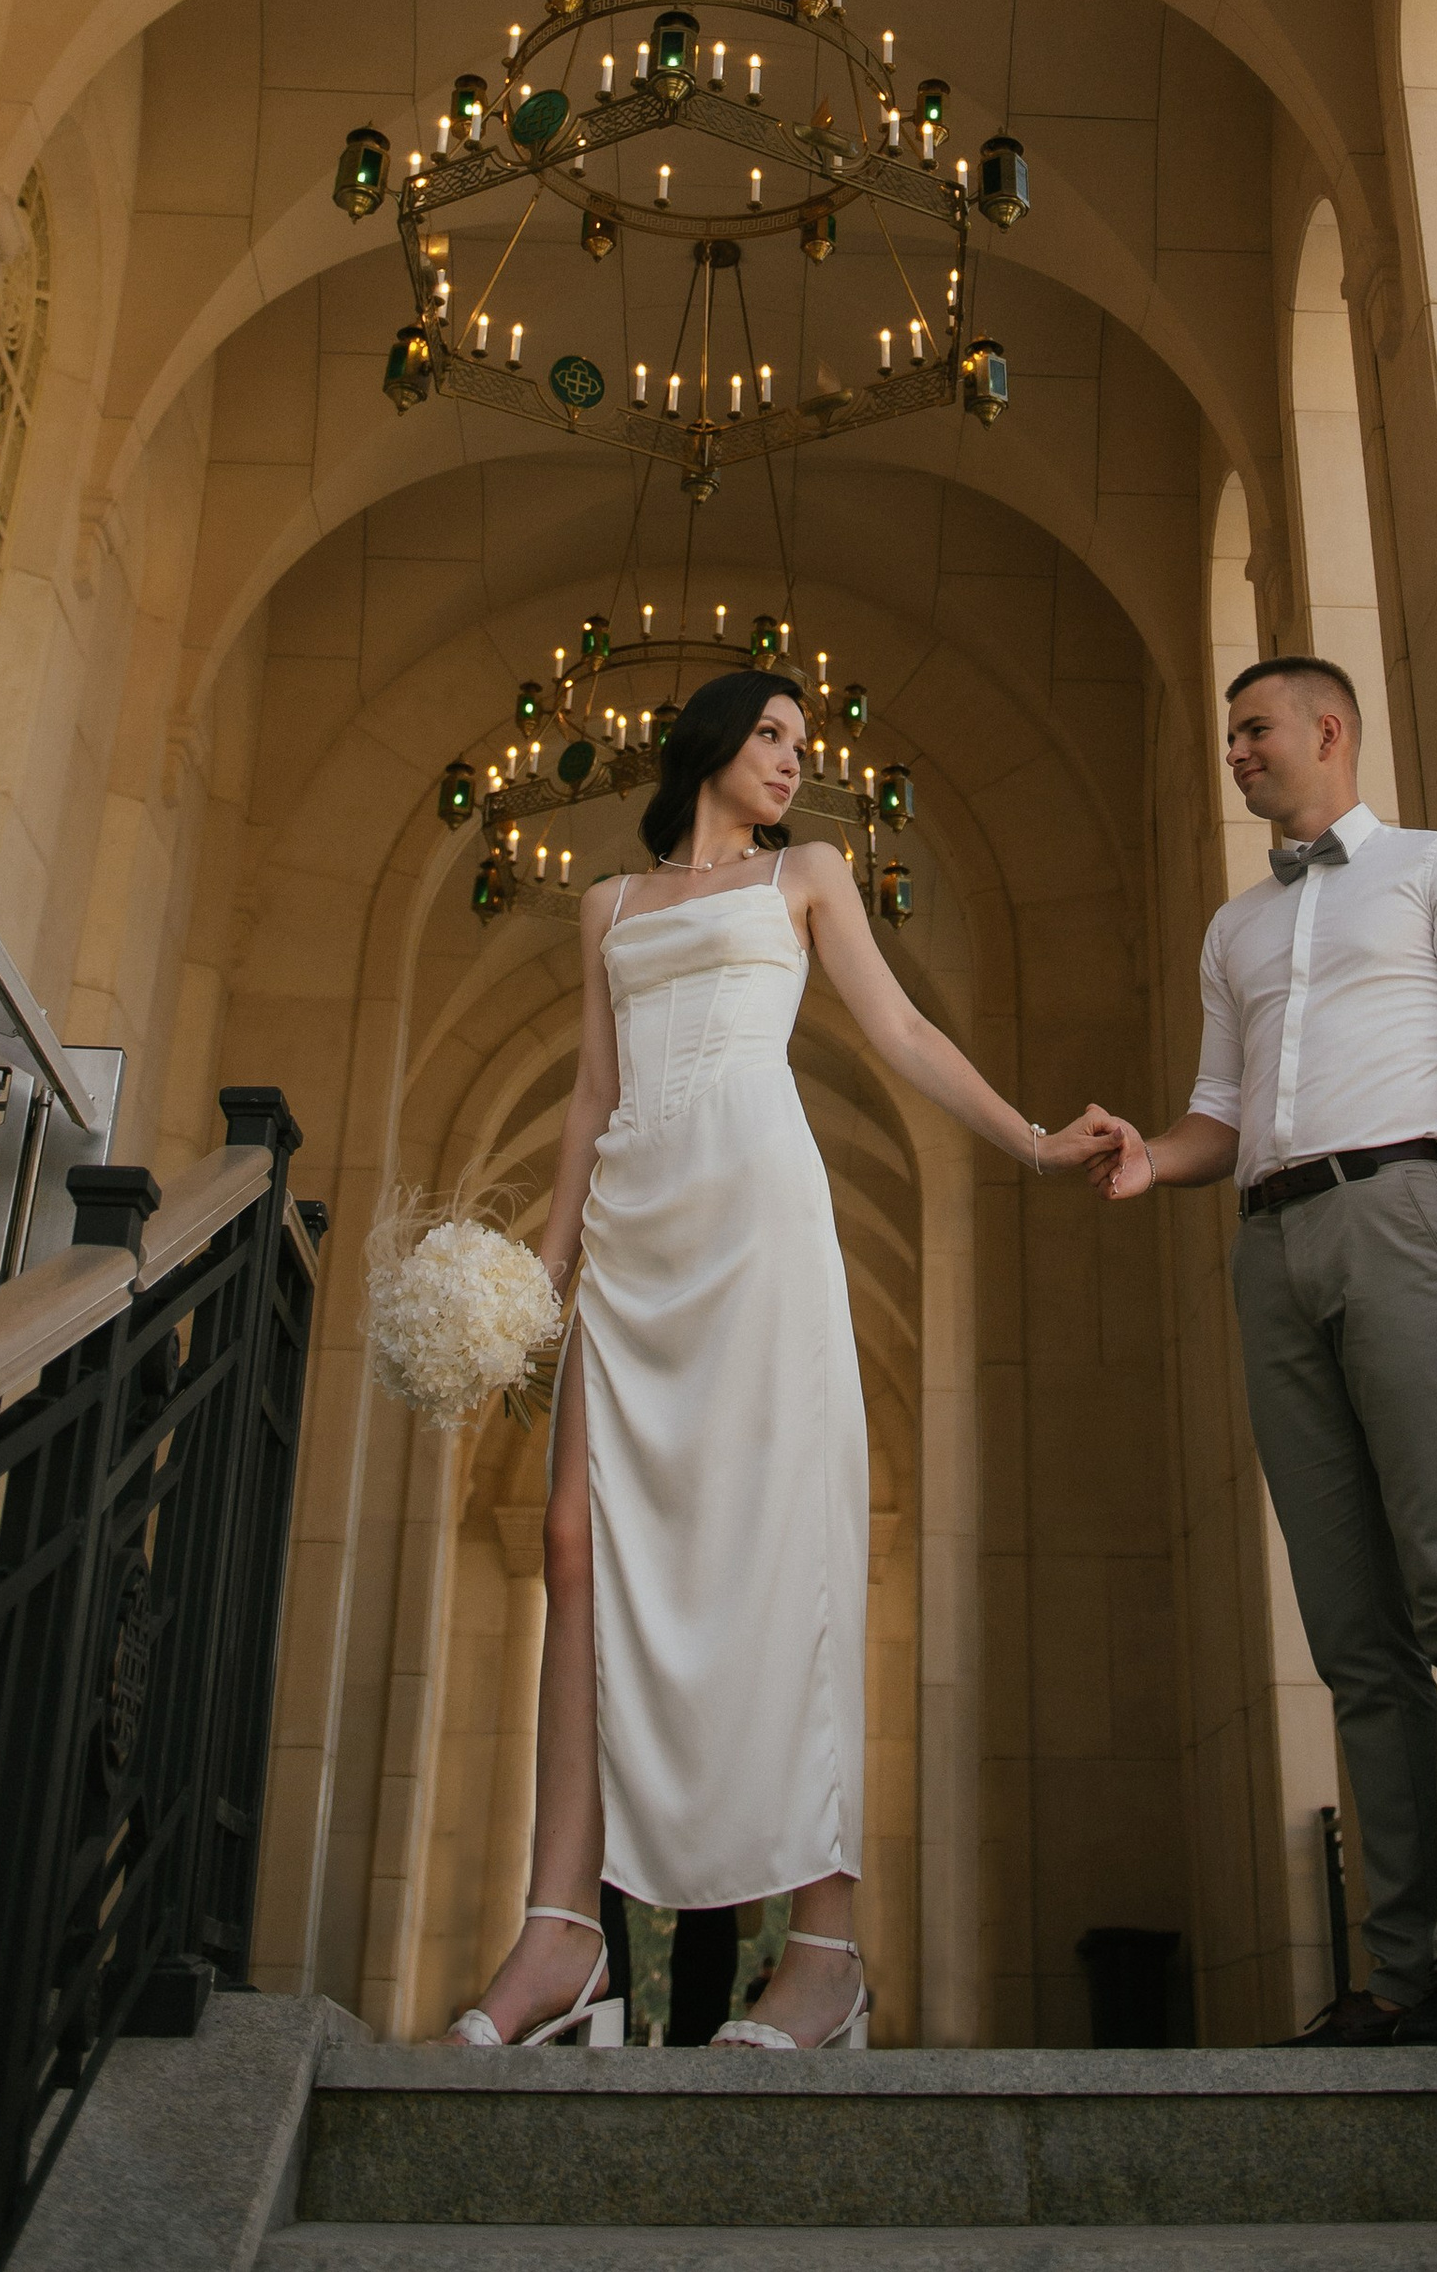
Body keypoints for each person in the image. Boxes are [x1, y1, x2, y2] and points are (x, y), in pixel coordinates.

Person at [449, 664, 1109, 2054]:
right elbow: (589, 1093)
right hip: (632, 1237)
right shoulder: (606, 908)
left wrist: (1036, 1140)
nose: (795, 760)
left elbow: (903, 1030)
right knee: (571, 1538)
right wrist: (537, 1279)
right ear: (704, 745)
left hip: (756, 1220)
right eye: (771, 734)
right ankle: (565, 1933)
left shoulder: (807, 874)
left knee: (792, 1545)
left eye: (805, 741)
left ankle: (826, 1950)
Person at [1087, 656, 1437, 2049]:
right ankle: (1399, 1973)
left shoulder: (1434, 870)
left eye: (1253, 730)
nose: (1236, 752)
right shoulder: (1234, 930)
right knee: (1355, 1636)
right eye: (1229, 733)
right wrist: (1144, 1162)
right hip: (1271, 1251)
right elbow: (1219, 1115)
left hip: (1406, 1216)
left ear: (1328, 730)